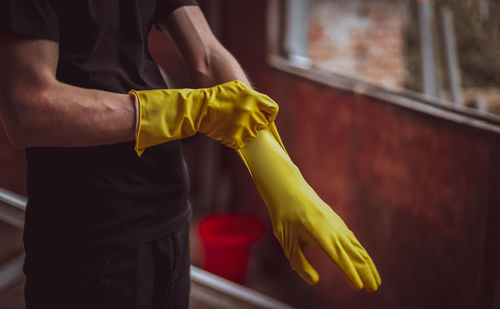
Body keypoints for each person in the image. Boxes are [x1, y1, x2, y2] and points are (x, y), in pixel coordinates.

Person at [0, 0, 381, 308]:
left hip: (168, 216)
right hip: (87, 230)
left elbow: (208, 57)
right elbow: (29, 109)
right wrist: (191, 109)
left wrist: (278, 173)